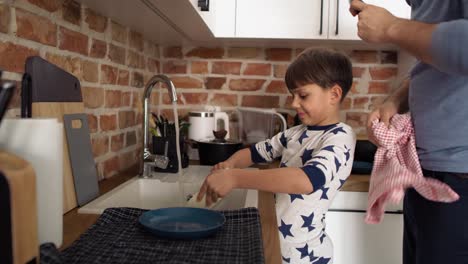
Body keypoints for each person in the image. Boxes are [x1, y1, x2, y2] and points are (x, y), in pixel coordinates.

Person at [196, 48, 356, 264]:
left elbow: (305, 180)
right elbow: (254, 153)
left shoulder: (341, 137)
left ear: (334, 95)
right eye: (293, 95)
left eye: (303, 95)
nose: (293, 103)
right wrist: (229, 165)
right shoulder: (295, 133)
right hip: (277, 245)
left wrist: (236, 178)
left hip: (306, 255)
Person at [350, 0, 468, 263]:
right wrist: (397, 100)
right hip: (427, 174)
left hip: (460, 179)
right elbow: (436, 62)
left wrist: (391, 27)